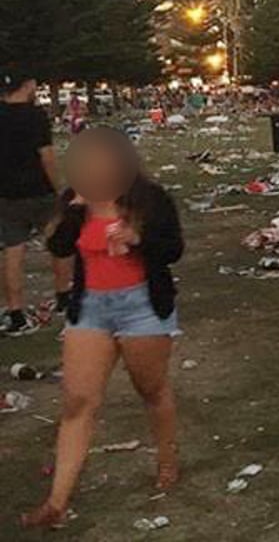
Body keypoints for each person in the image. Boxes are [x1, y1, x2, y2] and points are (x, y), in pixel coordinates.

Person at [21, 127, 184, 529]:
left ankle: (167, 459)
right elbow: (58, 248)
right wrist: (73, 211)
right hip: (91, 308)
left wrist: (136, 237)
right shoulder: (76, 200)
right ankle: (56, 502)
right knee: (77, 402)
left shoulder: (150, 199)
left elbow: (173, 249)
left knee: (151, 390)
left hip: (142, 306)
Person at [1, 72, 72, 333]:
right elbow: (47, 156)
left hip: (7, 194)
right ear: (27, 85)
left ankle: (15, 311)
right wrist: (59, 188)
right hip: (40, 190)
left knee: (13, 251)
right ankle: (64, 295)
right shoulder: (35, 116)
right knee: (57, 242)